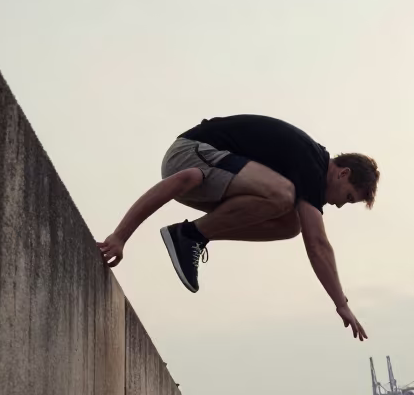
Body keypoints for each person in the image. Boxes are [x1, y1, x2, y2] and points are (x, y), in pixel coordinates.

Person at [97, 114, 379, 341]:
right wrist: (340, 303)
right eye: (348, 197)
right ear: (343, 173)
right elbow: (317, 244)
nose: (341, 205)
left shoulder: (309, 171)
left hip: (204, 174)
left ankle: (191, 236)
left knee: (290, 223)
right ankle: (190, 235)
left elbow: (186, 181)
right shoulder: (312, 164)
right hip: (190, 152)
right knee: (283, 196)